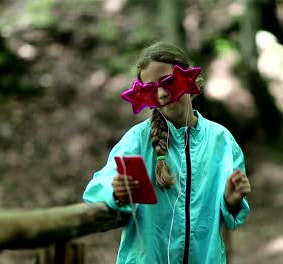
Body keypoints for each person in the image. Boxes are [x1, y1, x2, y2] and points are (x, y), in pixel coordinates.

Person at [83, 42, 251, 264]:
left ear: (188, 78)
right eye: (152, 88)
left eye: (168, 82)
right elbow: (96, 191)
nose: (162, 94)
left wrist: (231, 200)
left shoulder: (222, 142)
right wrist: (115, 191)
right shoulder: (137, 141)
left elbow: (230, 216)